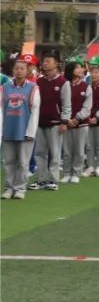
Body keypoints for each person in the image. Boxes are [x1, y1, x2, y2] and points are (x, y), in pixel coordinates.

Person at [29, 52, 70, 191]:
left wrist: (64, 121)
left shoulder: (63, 82)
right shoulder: (39, 81)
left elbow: (66, 105)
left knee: (55, 152)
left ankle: (53, 180)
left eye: (48, 61)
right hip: (40, 122)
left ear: (56, 64)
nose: (45, 63)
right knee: (40, 152)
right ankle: (41, 179)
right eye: (44, 61)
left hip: (56, 123)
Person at [2, 55, 40, 200]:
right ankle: (8, 188)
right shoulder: (5, 88)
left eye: (22, 68)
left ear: (27, 70)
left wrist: (31, 132)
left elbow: (35, 111)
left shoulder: (33, 88)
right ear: (13, 70)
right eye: (16, 68)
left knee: (23, 163)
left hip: (25, 131)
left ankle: (20, 188)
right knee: (9, 162)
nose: (19, 71)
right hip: (8, 131)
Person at [60, 60, 93, 184]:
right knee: (67, 150)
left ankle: (76, 172)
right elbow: (61, 103)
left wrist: (77, 118)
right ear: (71, 70)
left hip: (81, 123)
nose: (81, 70)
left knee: (79, 150)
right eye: (77, 68)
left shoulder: (86, 86)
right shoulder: (65, 85)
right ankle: (66, 173)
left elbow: (87, 107)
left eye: (81, 68)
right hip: (66, 122)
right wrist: (66, 119)